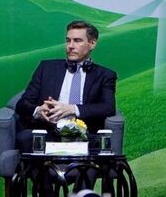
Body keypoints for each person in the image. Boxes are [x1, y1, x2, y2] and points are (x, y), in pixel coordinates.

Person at [15, 20, 117, 152]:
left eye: (77, 41)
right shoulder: (46, 68)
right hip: (49, 131)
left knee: (99, 145)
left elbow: (108, 107)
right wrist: (39, 111)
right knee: (25, 138)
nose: (71, 46)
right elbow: (22, 104)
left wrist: (72, 109)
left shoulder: (105, 75)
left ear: (92, 43)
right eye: (68, 40)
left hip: (85, 135)